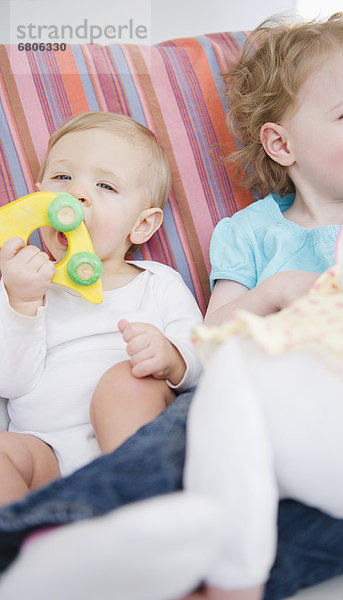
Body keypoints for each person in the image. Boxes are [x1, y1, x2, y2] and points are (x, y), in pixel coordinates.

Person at [1, 14, 343, 600]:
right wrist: (272, 295)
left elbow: (189, 351)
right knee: (191, 418)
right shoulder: (247, 234)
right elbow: (213, 344)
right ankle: (42, 544)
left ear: (143, 223)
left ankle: (164, 567)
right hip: (247, 412)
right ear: (281, 143)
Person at [0, 111, 203, 504]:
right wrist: (22, 302)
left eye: (105, 185)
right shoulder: (23, 285)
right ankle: (19, 541)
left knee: (124, 383)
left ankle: (141, 507)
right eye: (62, 178)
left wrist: (172, 357)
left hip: (138, 442)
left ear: (142, 225)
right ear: (38, 195)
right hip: (48, 453)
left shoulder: (156, 282)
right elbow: (10, 385)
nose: (76, 195)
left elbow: (203, 356)